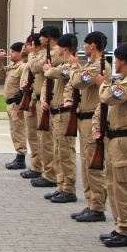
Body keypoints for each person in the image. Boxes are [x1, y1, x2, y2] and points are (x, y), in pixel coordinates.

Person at [95, 43, 127, 247]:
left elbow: (108, 97)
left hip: (126, 139)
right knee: (112, 185)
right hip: (115, 138)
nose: (114, 63)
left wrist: (103, 84)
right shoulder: (123, 80)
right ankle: (120, 226)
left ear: (123, 60)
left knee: (123, 186)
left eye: (116, 59)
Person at [68, 32, 109, 222]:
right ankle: (91, 203)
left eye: (85, 45)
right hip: (84, 118)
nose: (83, 48)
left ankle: (98, 206)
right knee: (86, 164)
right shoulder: (91, 66)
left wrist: (75, 66)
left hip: (93, 118)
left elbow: (77, 82)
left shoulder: (99, 67)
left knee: (94, 165)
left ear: (92, 45)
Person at [43, 33, 80, 203]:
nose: (56, 48)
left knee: (65, 152)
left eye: (59, 46)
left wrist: (48, 70)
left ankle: (69, 188)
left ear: (64, 48)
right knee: (58, 151)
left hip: (65, 115)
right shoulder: (66, 65)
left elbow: (56, 72)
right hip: (57, 112)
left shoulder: (70, 66)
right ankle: (61, 185)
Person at [30, 26, 61, 189]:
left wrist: (32, 53)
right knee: (43, 139)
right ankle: (46, 172)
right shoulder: (48, 53)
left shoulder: (55, 54)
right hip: (41, 99)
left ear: (48, 39)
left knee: (47, 140)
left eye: (41, 37)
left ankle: (50, 174)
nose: (39, 40)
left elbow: (36, 68)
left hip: (51, 102)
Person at [0, 42, 27, 170]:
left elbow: (24, 88)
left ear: (20, 53)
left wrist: (21, 106)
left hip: (17, 103)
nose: (11, 54)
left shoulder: (23, 67)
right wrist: (0, 61)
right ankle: (18, 155)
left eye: (14, 52)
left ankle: (21, 158)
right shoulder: (13, 67)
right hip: (10, 103)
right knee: (14, 131)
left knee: (19, 131)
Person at [19, 35, 44, 179]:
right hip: (30, 98)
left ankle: (39, 167)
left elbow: (35, 69)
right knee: (32, 136)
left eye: (28, 44)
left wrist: (32, 52)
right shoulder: (31, 56)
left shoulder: (40, 57)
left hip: (35, 99)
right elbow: (24, 57)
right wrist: (28, 48)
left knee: (38, 138)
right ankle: (36, 165)